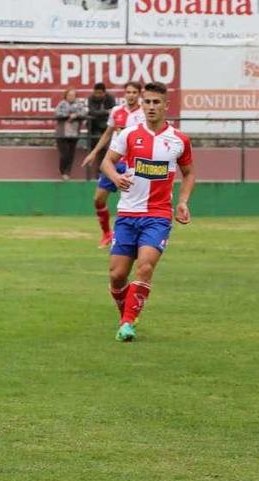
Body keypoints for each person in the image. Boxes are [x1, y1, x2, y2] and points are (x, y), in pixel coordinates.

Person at [99, 82, 195, 343]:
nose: (151, 107)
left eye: (156, 102)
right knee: (117, 275)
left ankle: (128, 322)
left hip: (158, 215)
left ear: (166, 105)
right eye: (147, 102)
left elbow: (188, 174)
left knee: (145, 267)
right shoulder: (128, 134)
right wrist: (115, 178)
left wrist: (183, 202)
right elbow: (107, 161)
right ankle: (127, 312)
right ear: (141, 105)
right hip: (128, 214)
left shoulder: (179, 140)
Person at [81, 81, 145, 248]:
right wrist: (94, 153)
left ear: (139, 94)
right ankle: (107, 234)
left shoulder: (144, 113)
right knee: (98, 199)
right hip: (113, 162)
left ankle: (130, 237)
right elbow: (108, 134)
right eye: (128, 92)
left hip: (132, 163)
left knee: (131, 203)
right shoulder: (116, 111)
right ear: (125, 94)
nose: (131, 95)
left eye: (134, 92)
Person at [54, 88, 87, 181]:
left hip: (74, 134)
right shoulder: (62, 104)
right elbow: (56, 113)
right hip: (62, 134)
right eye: (69, 95)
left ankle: (67, 173)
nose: (71, 97)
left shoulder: (79, 104)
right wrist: (68, 115)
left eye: (73, 95)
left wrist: (76, 115)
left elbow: (84, 112)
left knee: (71, 154)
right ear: (66, 96)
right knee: (64, 154)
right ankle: (62, 171)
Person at [85, 82, 117, 179]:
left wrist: (102, 113)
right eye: (96, 93)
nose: (97, 95)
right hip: (94, 127)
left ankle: (102, 173)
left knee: (105, 150)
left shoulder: (110, 98)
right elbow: (92, 112)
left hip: (107, 127)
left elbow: (114, 111)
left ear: (104, 93)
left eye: (99, 93)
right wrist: (106, 112)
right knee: (93, 149)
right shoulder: (91, 98)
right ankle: (93, 175)